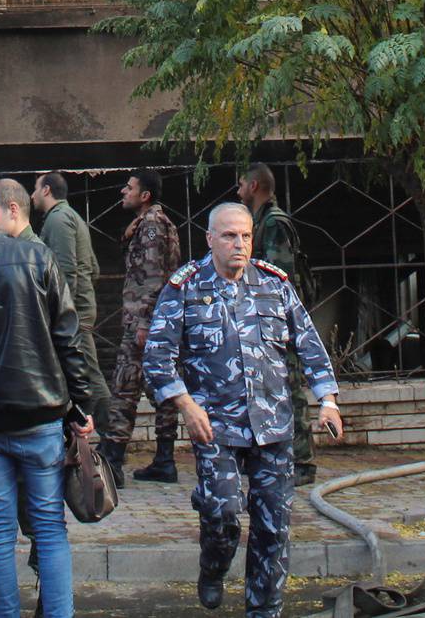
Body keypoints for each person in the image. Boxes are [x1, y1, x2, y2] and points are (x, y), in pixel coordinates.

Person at [145, 201, 342, 617]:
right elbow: (157, 358)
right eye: (230, 236)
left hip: (273, 427)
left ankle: (264, 610)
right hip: (214, 427)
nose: (240, 244)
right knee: (224, 515)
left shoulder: (274, 285)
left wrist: (327, 400)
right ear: (210, 239)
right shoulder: (184, 288)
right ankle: (213, 566)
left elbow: (309, 345)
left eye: (246, 236)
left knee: (274, 530)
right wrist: (186, 405)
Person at [0, 174, 96, 618]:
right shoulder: (37, 256)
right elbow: (69, 338)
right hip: (41, 415)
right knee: (49, 528)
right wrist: (80, 406)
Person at [235, 163, 318, 484]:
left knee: (290, 389)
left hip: (279, 324)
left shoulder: (274, 224)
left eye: (242, 184)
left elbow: (276, 280)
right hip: (263, 322)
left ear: (254, 186)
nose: (238, 190)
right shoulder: (260, 222)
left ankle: (303, 462)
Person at [105, 169, 180, 486]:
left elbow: (152, 277)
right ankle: (164, 460)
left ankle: (112, 462)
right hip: (155, 322)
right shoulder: (153, 224)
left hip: (145, 322)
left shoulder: (151, 226)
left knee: (124, 387)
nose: (124, 191)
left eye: (130, 187)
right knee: (159, 388)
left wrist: (145, 323)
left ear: (145, 195)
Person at [31, 172, 112, 442]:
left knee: (89, 374)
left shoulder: (57, 219)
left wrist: (66, 312)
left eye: (34, 190)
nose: (31, 196)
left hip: (74, 313)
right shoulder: (72, 217)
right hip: (80, 309)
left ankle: (112, 445)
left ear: (46, 190)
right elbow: (94, 268)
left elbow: (65, 270)